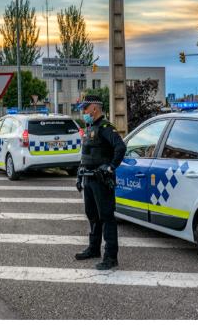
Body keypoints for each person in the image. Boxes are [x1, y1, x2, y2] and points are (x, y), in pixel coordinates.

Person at [75, 94, 126, 270]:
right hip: (88, 178)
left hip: (101, 180)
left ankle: (111, 257)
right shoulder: (90, 128)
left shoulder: (105, 128)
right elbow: (86, 155)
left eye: (85, 109)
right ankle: (93, 248)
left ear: (94, 109)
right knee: (92, 215)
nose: (83, 112)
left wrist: (111, 167)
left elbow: (121, 147)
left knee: (106, 217)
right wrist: (79, 175)